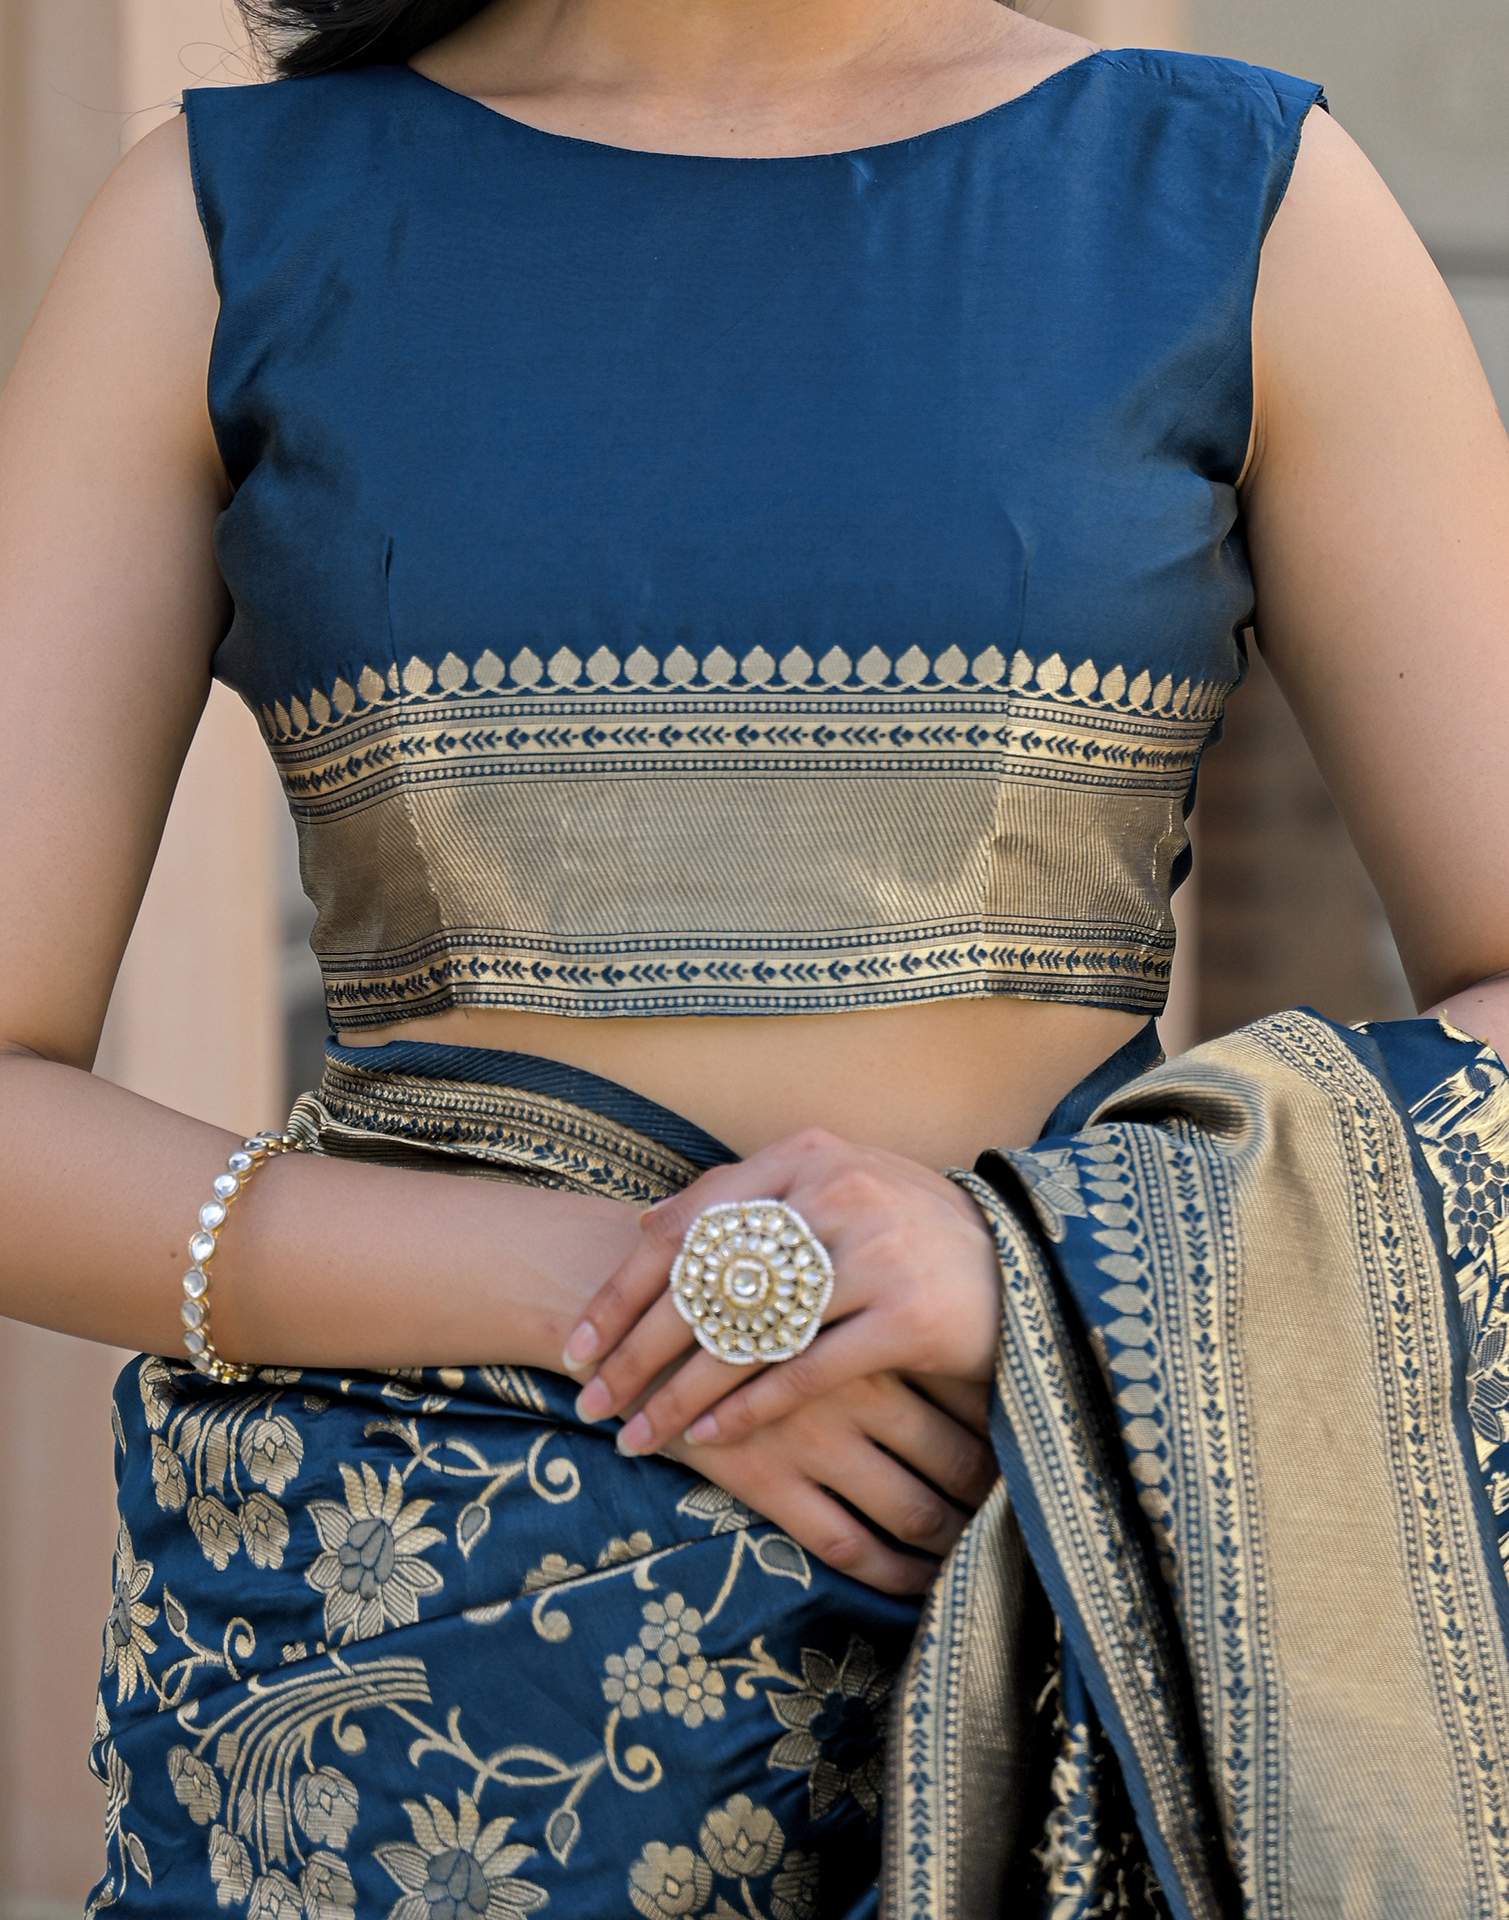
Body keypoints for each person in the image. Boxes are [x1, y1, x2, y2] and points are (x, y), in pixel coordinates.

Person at [0, 0, 1505, 1911]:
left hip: (1044, 1599)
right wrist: (633, 1292)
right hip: (390, 1680)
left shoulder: (1230, 203)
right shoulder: (226, 225)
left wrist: (1034, 1273)